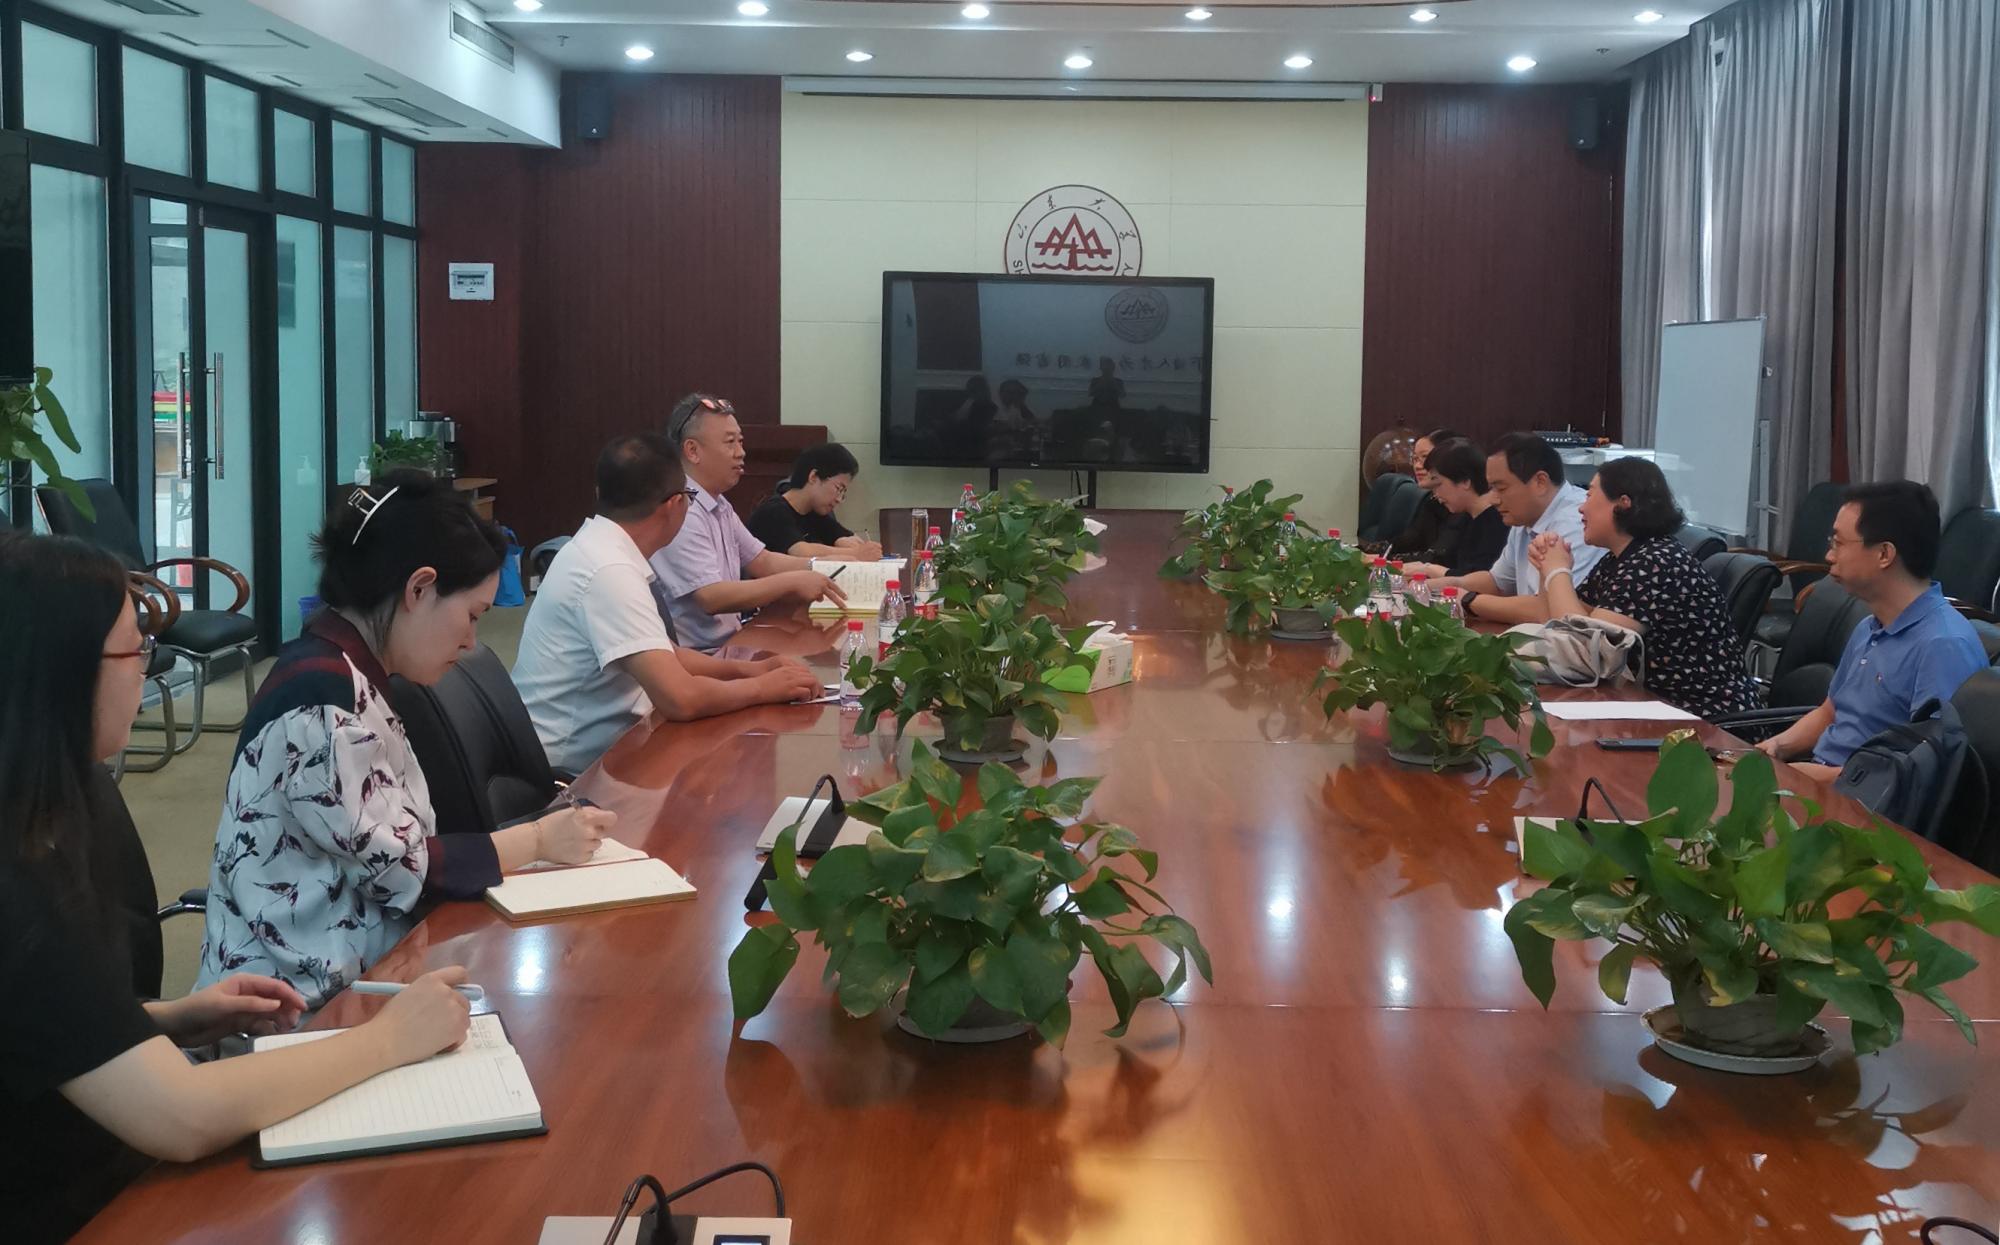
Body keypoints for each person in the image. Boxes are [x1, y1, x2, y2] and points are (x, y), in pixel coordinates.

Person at [0, 531, 477, 1244]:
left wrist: (166, 1019)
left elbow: (39, 1025)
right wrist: (388, 1040)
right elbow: (183, 1116)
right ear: (64, 670)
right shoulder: (19, 878)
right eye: (136, 651)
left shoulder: (54, 803)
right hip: (76, 1207)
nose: (147, 671)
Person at [197, 473, 614, 1009]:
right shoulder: (322, 702)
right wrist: (537, 841)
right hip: (294, 1007)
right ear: (419, 588)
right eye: (472, 615)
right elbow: (400, 872)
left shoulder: (346, 671)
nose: (471, 641)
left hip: (357, 970)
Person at [516, 434, 825, 774]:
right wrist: (762, 688)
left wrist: (750, 670)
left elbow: (665, 653)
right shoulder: (609, 571)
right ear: (675, 504)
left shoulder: (602, 547)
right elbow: (680, 699)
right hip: (575, 772)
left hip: (617, 746)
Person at [1756, 481, 1988, 781]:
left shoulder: (1943, 645)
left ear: (1884, 554)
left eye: (1838, 543)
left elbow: (1926, 773)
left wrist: (1818, 778)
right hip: (1823, 781)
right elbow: (1830, 712)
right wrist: (1776, 747)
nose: (1828, 555)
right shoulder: (1870, 626)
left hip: (1862, 803)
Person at [1531, 457, 1758, 719]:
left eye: (1590, 494)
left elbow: (1584, 651)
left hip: (1704, 717)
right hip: (1649, 705)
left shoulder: (1656, 562)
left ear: (1623, 503)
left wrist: (1557, 571)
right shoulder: (1620, 558)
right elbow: (1556, 628)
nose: (1581, 507)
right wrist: (1546, 568)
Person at [652, 393, 848, 650]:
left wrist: (823, 566)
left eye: (741, 441)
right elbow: (711, 596)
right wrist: (793, 582)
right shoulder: (682, 508)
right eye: (730, 442)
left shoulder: (719, 504)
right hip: (703, 655)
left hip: (733, 640)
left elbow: (762, 561)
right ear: (693, 451)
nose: (741, 452)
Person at [1430, 432, 1604, 624]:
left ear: (1540, 482)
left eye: (1501, 488)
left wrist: (1468, 600)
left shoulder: (1578, 522)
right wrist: (1448, 586)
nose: (1494, 499)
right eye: (1491, 488)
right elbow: (1498, 583)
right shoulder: (1524, 517)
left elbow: (1549, 612)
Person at [745, 442, 884, 561]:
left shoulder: (813, 513)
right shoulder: (772, 512)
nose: (839, 499)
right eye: (838, 489)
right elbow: (800, 551)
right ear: (813, 477)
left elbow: (845, 538)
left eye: (843, 493)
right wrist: (856, 553)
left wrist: (858, 546)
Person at [1399, 437, 1507, 579]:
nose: (1436, 494)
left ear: (1465, 481)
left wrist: (1432, 570)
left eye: (1438, 484)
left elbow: (1484, 580)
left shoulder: (1498, 522)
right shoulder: (1466, 517)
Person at [1378, 426, 1464, 561]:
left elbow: (1440, 557)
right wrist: (1367, 552)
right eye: (1415, 459)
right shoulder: (1432, 501)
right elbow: (1407, 541)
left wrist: (1388, 561)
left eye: (1425, 457)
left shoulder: (1463, 506)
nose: (1418, 466)